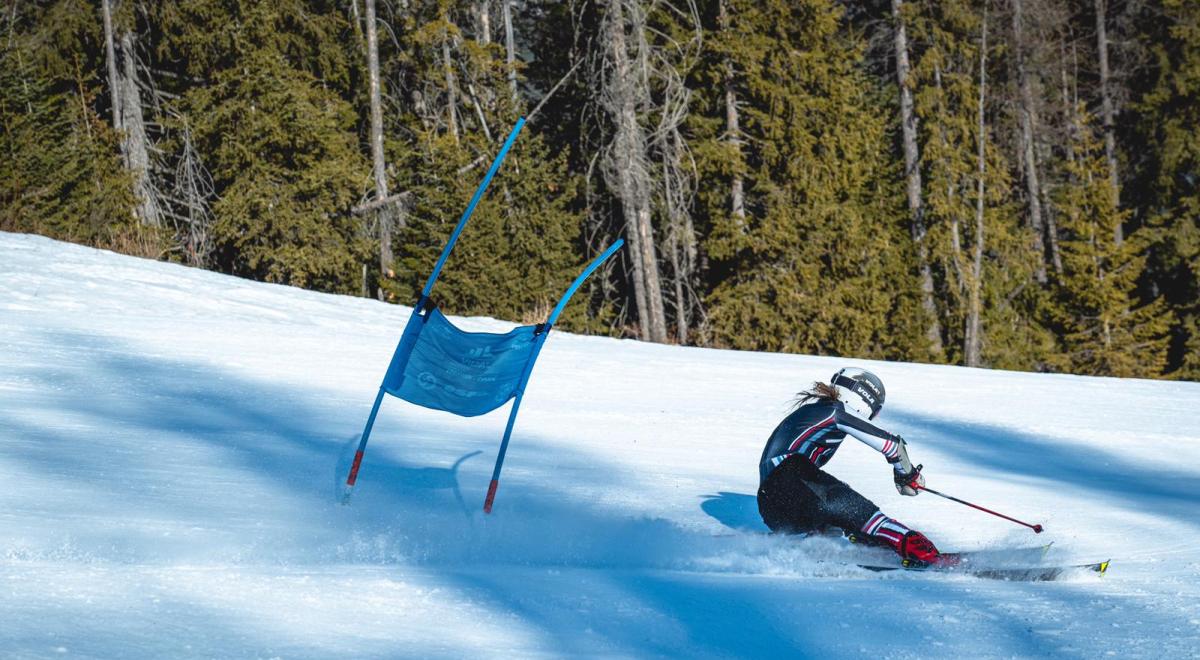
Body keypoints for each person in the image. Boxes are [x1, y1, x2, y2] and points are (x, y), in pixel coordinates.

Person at [756, 367, 946, 565]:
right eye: (876, 410)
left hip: (773, 509)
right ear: (863, 398)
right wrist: (908, 475)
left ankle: (820, 541)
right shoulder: (835, 410)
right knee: (848, 504)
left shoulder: (814, 412)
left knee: (833, 502)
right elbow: (892, 445)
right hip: (789, 481)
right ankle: (913, 546)